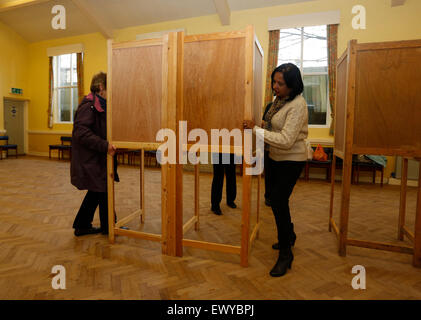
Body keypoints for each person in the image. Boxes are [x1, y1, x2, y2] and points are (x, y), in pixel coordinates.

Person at [244, 63, 308, 277]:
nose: (275, 86)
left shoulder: (298, 105)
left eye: (281, 83)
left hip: (291, 159)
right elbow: (272, 128)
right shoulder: (278, 101)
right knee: (272, 198)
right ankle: (289, 235)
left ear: (293, 85)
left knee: (279, 202)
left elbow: (287, 140)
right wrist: (260, 127)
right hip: (274, 157)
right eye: (274, 81)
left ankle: (285, 254)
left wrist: (255, 129)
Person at [71, 72, 118, 236]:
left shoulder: (101, 104)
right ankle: (108, 227)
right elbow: (81, 132)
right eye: (110, 86)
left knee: (98, 191)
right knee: (101, 190)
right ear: (101, 87)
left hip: (97, 158)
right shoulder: (89, 105)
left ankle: (88, 225)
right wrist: (104, 145)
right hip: (90, 159)